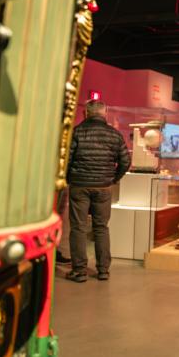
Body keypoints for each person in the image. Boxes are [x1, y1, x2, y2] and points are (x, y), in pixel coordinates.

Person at [66, 100, 131, 282]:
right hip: (103, 187)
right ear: (105, 114)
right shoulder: (115, 134)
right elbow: (125, 162)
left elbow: (66, 161)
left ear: (85, 113)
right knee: (101, 228)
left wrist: (69, 179)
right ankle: (103, 270)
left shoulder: (76, 132)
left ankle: (79, 271)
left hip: (79, 186)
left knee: (78, 228)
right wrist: (113, 179)